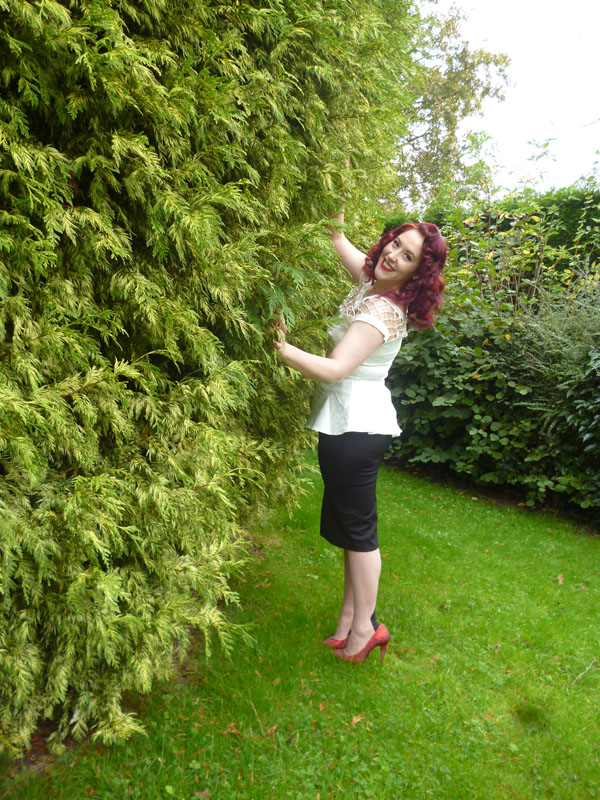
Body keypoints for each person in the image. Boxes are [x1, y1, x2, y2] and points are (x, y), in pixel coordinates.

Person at [274, 210, 447, 663]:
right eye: (395, 243)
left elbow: (335, 369)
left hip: (355, 429)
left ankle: (366, 631)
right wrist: (333, 221)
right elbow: (341, 244)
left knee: (360, 533)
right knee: (351, 531)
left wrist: (282, 349)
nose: (393, 255)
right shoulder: (375, 283)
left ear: (417, 273)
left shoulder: (382, 309)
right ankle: (349, 623)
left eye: (407, 257)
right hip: (347, 424)